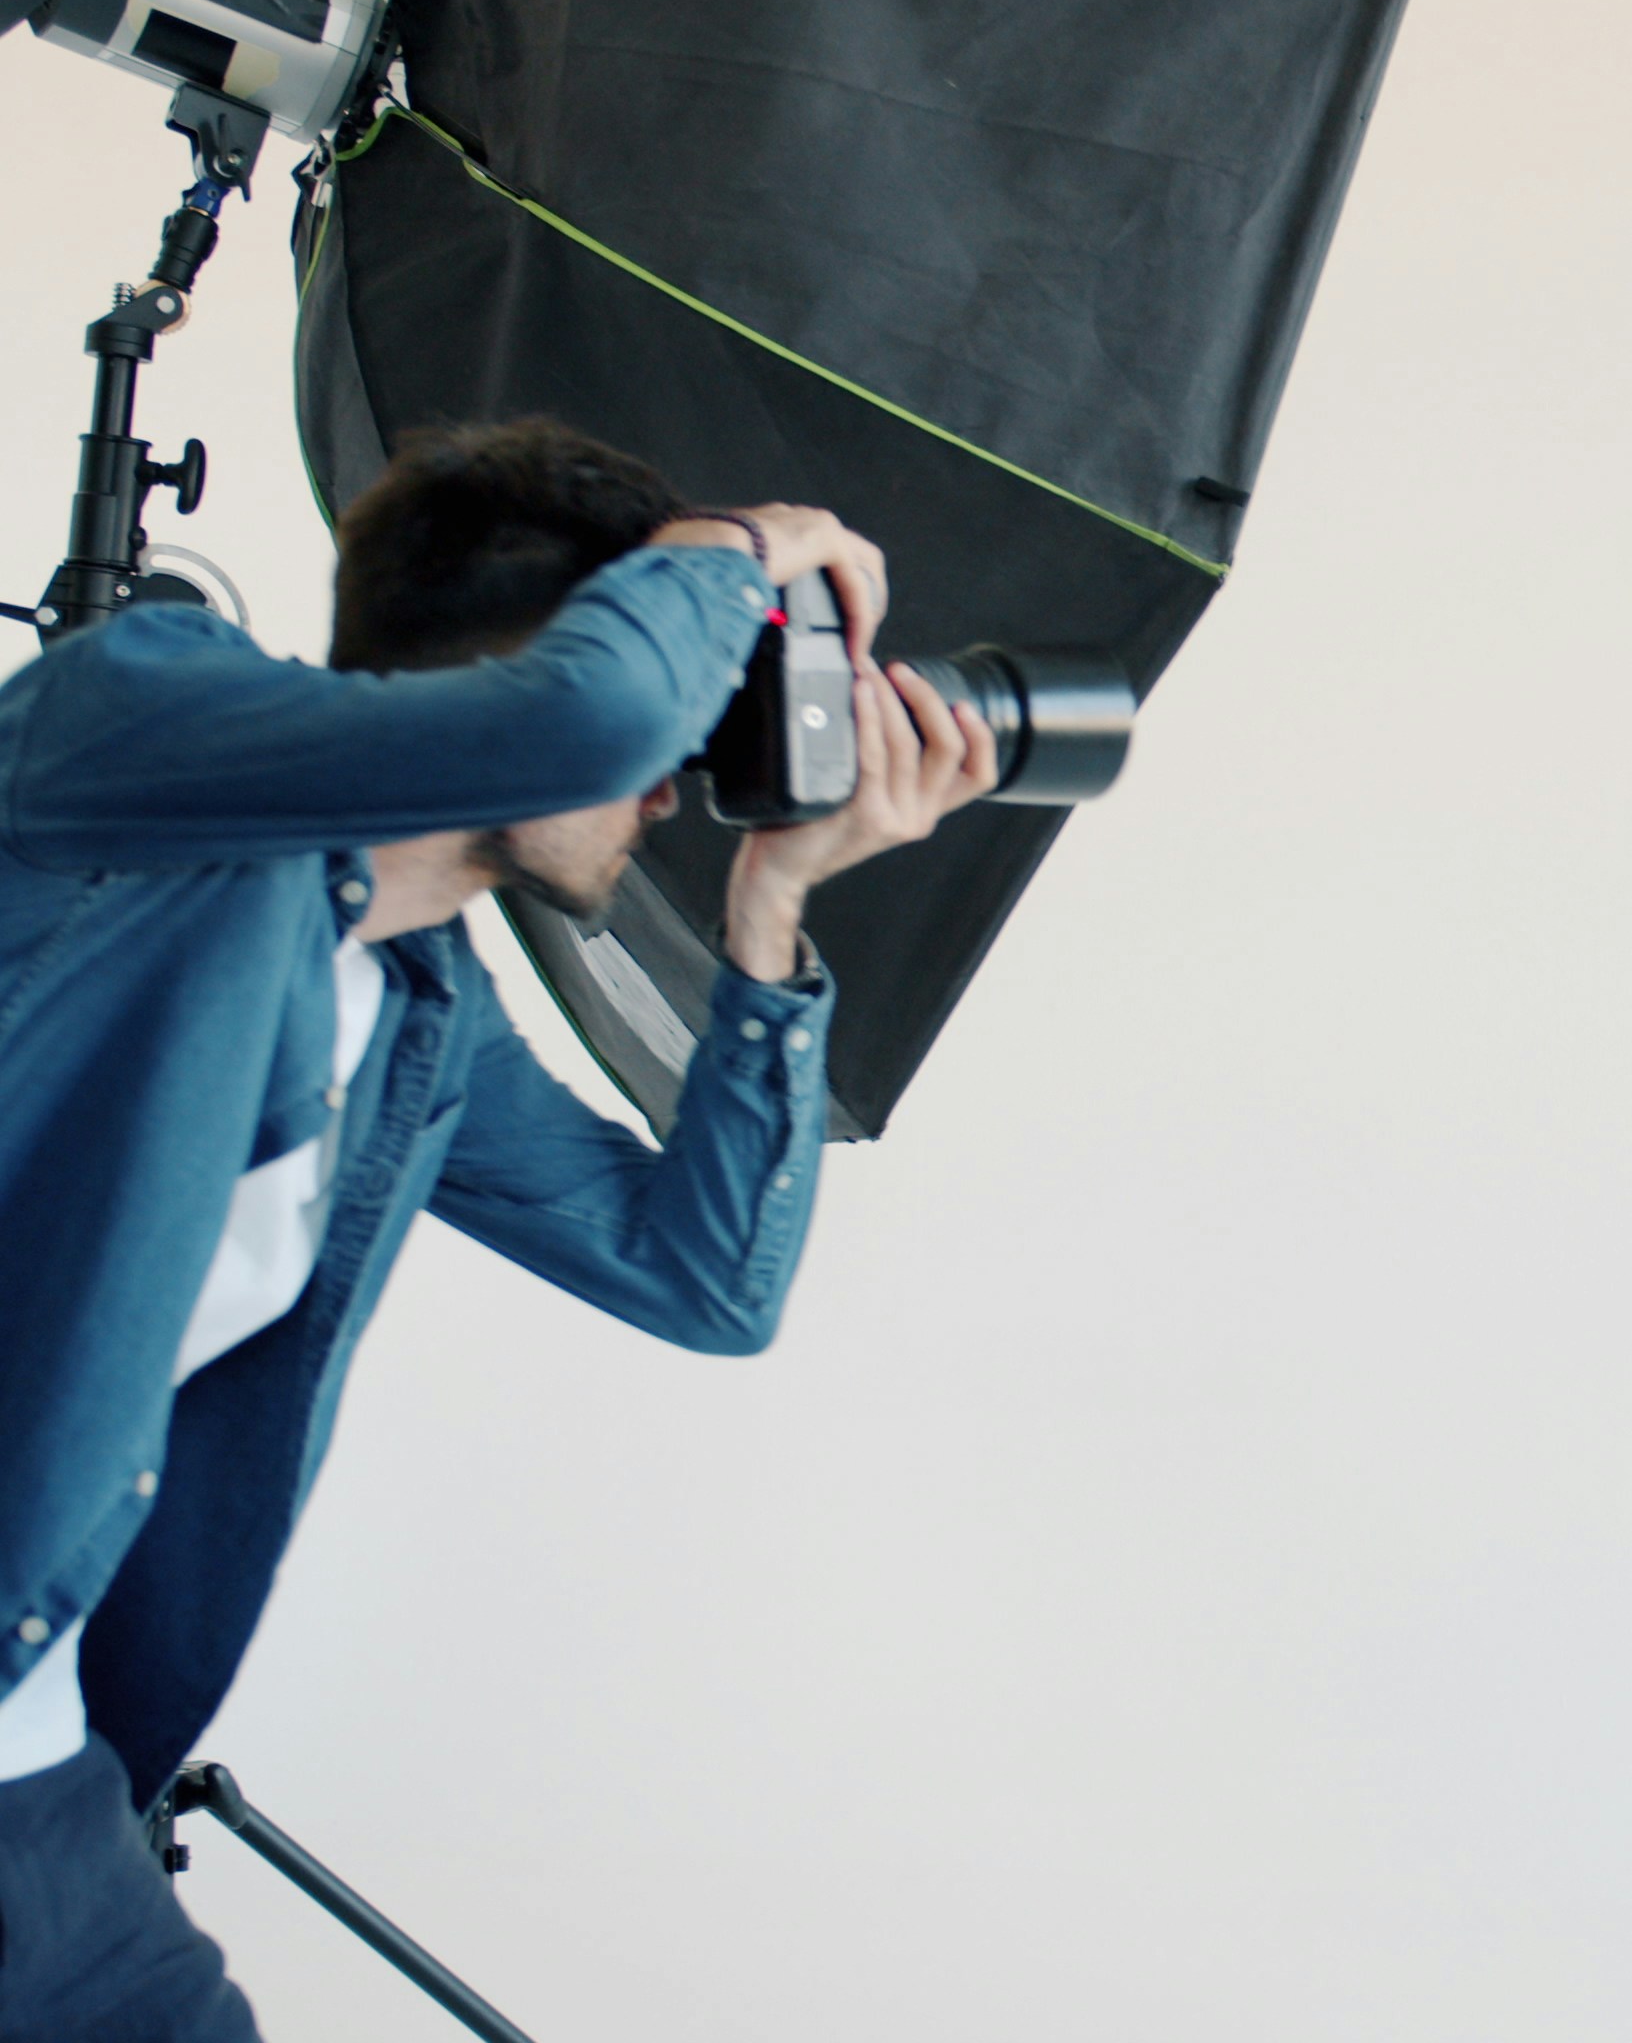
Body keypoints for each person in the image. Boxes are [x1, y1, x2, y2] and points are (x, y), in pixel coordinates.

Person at [0, 418, 994, 2038]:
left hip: (39, 1799)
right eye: (678, 707)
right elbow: (591, 717)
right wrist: (743, 542)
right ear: (538, 659)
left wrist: (771, 907)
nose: (674, 782)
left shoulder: (423, 1011)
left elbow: (702, 1282)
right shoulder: (124, 723)